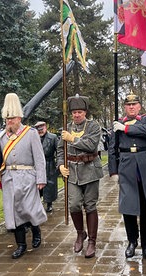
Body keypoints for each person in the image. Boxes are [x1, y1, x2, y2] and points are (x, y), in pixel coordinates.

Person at [0, 93, 47, 259]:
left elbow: (39, 158)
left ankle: (36, 231)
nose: (9, 122)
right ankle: (21, 245)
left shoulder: (30, 133)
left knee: (28, 209)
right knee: (13, 212)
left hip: (28, 176)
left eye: (11, 118)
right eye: (6, 119)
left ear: (19, 118)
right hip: (9, 178)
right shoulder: (1, 135)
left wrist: (41, 179)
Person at [108, 92, 146, 260]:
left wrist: (125, 128)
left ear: (139, 106)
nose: (131, 107)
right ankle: (132, 242)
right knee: (129, 208)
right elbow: (112, 149)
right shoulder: (118, 123)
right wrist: (113, 171)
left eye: (134, 104)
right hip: (127, 168)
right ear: (124, 107)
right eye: (128, 105)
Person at [57, 94, 103, 258]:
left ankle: (92, 241)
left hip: (90, 170)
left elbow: (91, 146)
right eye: (74, 112)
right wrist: (60, 165)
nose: (77, 115)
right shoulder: (66, 126)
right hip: (72, 172)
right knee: (74, 204)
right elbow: (60, 149)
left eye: (80, 112)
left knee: (90, 205)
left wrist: (72, 139)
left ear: (85, 113)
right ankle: (80, 233)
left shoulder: (93, 126)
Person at [34, 121, 58, 213]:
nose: (41, 131)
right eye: (38, 129)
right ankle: (37, 204)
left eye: (42, 128)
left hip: (49, 164)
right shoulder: (34, 138)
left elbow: (59, 150)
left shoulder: (53, 137)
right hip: (37, 165)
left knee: (49, 185)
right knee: (37, 185)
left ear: (45, 127)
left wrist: (58, 164)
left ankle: (49, 203)